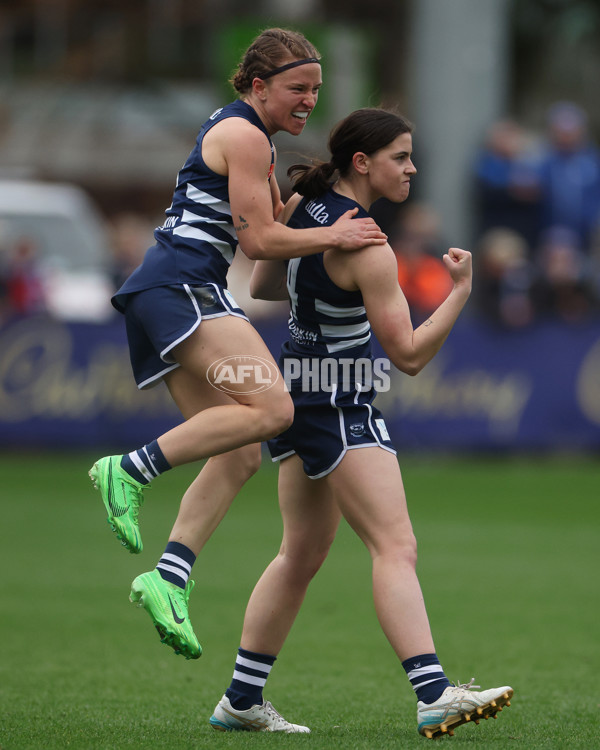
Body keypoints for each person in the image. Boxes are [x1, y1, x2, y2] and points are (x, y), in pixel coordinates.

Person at [210, 108, 513, 738]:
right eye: (401, 156)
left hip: (297, 393)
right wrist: (459, 292)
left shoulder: (305, 203)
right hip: (341, 403)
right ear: (362, 162)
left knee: (301, 553)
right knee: (395, 547)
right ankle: (433, 692)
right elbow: (406, 357)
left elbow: (265, 283)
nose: (412, 168)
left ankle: (241, 698)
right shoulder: (370, 242)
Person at [88, 29, 386, 663]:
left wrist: (318, 199)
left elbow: (276, 221)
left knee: (241, 450)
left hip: (162, 292)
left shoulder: (254, 139)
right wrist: (342, 236)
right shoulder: (246, 135)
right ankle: (128, 468)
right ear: (258, 87)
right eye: (297, 88)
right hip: (181, 288)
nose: (309, 100)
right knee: (274, 411)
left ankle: (167, 578)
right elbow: (259, 244)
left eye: (315, 90)